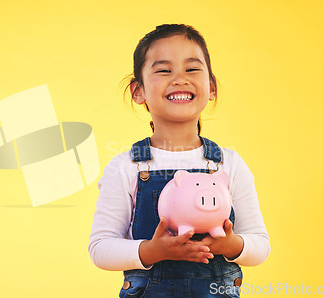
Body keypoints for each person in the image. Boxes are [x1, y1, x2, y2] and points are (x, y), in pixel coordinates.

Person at [88, 24, 270, 297]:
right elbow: (101, 249)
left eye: (192, 69)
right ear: (139, 91)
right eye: (163, 70)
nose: (180, 79)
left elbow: (260, 246)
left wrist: (229, 245)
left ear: (211, 88)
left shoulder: (228, 165)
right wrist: (152, 251)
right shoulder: (126, 168)